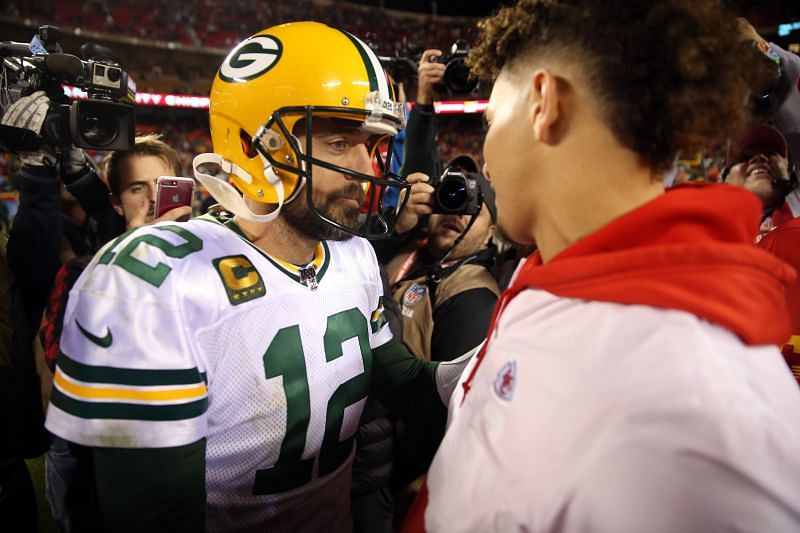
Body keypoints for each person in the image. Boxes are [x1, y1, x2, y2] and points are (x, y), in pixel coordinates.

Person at [45, 21, 460, 533]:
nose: (368, 169)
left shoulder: (352, 255)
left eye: (372, 146)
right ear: (249, 143)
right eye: (337, 142)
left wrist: (497, 357)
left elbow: (406, 381)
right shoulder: (156, 280)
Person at [416, 1, 800, 531]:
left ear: (544, 103)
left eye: (489, 120)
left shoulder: (705, 415)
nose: (484, 155)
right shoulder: (558, 269)